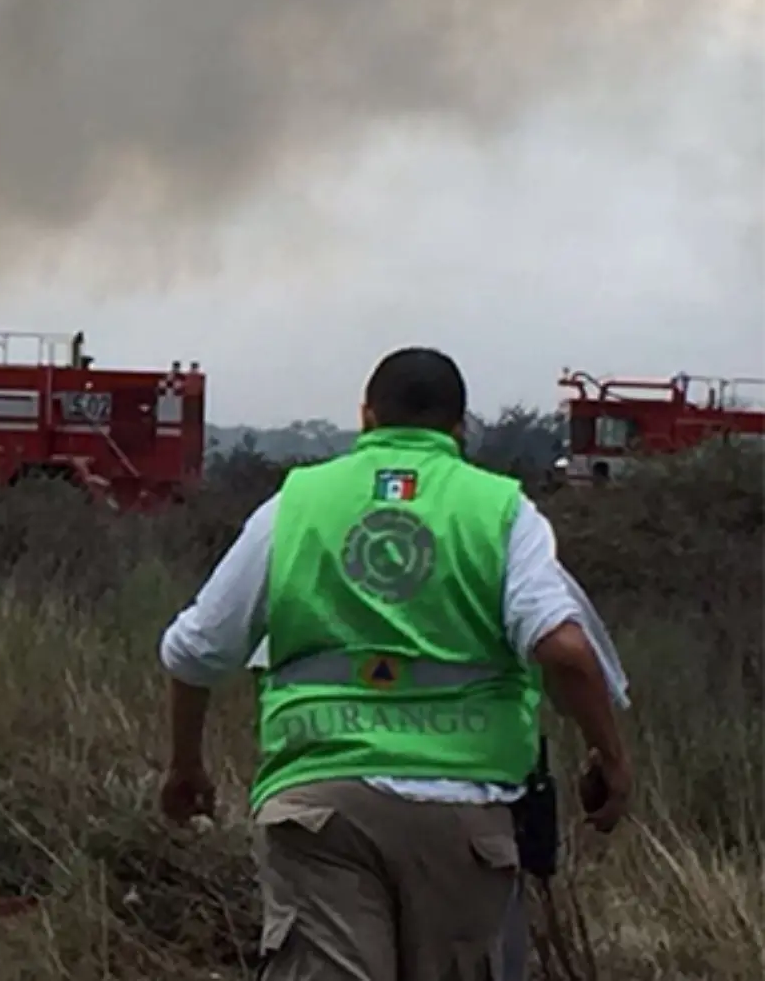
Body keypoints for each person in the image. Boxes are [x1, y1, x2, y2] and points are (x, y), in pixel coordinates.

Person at [157, 346, 633, 981]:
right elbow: (566, 651)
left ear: (365, 416)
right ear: (460, 429)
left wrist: (186, 766)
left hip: (319, 808)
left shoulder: (295, 507)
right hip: (462, 816)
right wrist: (612, 756)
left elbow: (194, 650)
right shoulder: (504, 513)